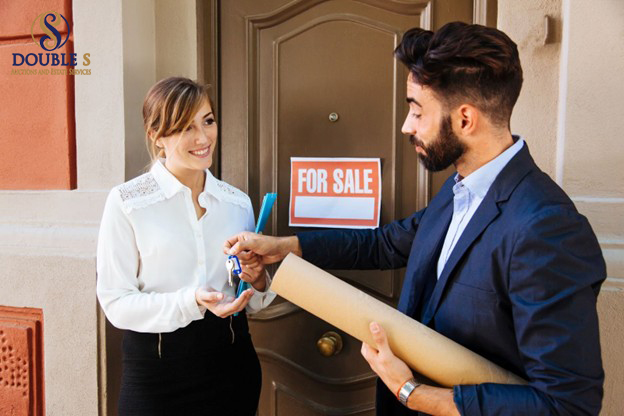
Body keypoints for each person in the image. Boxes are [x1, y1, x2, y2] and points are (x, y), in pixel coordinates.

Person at [225, 22, 606, 415]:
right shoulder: (460, 186)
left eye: (416, 110)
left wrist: (412, 393)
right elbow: (388, 243)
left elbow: (568, 405)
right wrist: (287, 247)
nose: (407, 126)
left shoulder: (547, 229)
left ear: (464, 119)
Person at [96, 77, 276, 415]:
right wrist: (189, 301)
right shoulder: (126, 203)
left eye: (208, 121)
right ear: (156, 136)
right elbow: (116, 302)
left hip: (232, 367)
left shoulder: (237, 203)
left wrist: (257, 281)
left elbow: (251, 300)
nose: (203, 137)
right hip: (156, 374)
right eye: (185, 128)